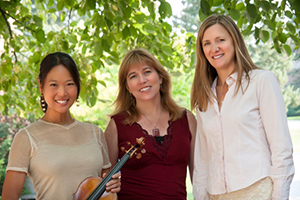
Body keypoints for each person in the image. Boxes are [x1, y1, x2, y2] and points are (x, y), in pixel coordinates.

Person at [191, 14, 295, 200]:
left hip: (257, 191)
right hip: (216, 195)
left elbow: (281, 148)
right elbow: (203, 161)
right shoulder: (204, 98)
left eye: (220, 40)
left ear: (235, 41)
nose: (214, 48)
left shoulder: (262, 81)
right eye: (206, 43)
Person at [2, 52, 121, 200]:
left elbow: (107, 188)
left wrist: (114, 185)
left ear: (78, 85)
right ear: (41, 86)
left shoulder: (95, 133)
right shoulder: (26, 137)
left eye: (69, 84)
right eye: (54, 85)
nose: (62, 92)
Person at [104, 48, 197, 199]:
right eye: (133, 76)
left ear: (160, 77)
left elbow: (198, 176)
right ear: (127, 87)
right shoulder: (117, 125)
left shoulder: (187, 119)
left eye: (147, 72)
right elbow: (105, 182)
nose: (142, 80)